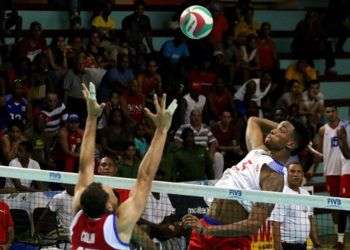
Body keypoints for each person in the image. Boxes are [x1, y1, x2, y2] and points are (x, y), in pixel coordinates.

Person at [70, 82, 177, 249]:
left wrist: (91, 117)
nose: (111, 188)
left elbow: (85, 167)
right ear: (109, 205)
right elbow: (145, 177)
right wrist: (162, 130)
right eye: (109, 191)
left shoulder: (78, 216)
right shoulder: (118, 224)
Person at [182, 116, 309, 249]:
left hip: (231, 240)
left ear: (291, 144)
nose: (272, 130)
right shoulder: (258, 151)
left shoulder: (274, 177)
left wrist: (207, 230)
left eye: (280, 131)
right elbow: (254, 120)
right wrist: (286, 129)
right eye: (275, 128)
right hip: (205, 226)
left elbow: (254, 224)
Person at [270, 162, 321, 250]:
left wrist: (316, 242)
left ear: (302, 175)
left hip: (303, 245)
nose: (296, 175)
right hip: (287, 245)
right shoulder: (282, 195)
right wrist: (278, 247)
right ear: (286, 174)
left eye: (299, 172)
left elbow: (310, 219)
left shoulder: (306, 194)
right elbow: (276, 223)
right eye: (292, 171)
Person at [316, 105, 345, 248]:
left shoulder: (345, 127)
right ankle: (339, 238)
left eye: (333, 111)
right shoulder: (322, 130)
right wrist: (311, 169)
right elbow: (319, 152)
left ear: (337, 112)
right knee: (335, 205)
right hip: (331, 172)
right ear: (325, 114)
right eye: (328, 112)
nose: (331, 113)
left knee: (347, 204)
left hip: (346, 171)